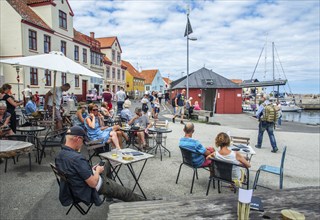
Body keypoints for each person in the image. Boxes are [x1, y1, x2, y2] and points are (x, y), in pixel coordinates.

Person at [55, 126, 145, 206]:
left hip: (77, 185)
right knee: (127, 193)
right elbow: (93, 183)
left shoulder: (60, 155)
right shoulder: (77, 158)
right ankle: (145, 203)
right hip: (90, 187)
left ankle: (110, 194)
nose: (82, 144)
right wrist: (97, 171)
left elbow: (74, 171)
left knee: (105, 162)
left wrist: (90, 170)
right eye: (83, 140)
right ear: (78, 139)